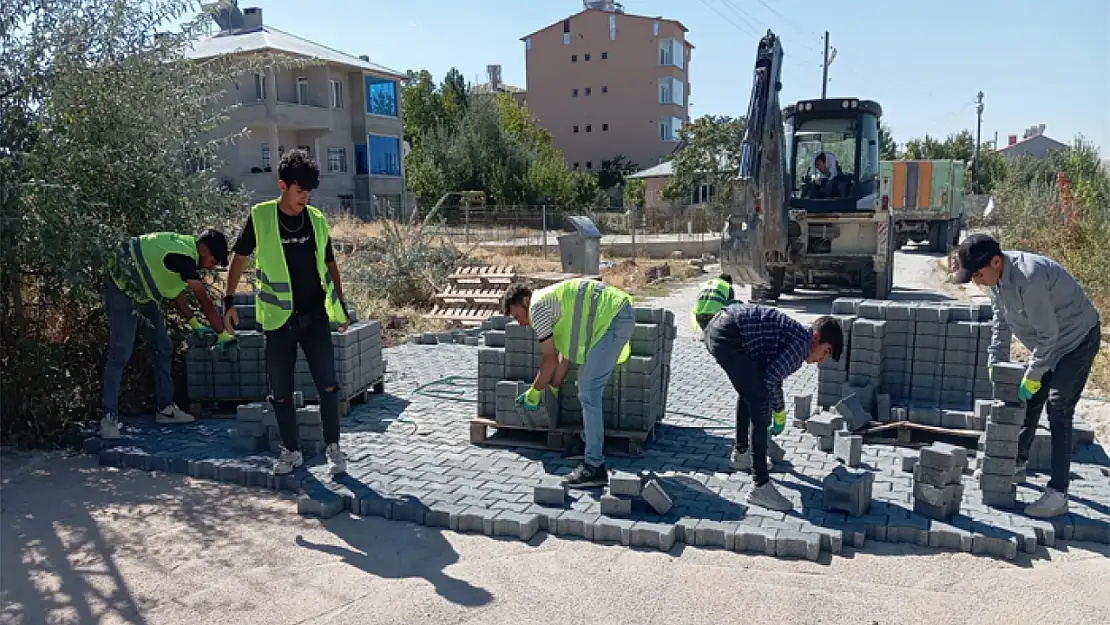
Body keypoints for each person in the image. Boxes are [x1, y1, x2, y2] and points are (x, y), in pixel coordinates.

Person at [223, 149, 351, 477]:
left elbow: (330, 264)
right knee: (280, 392)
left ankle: (333, 447)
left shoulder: (317, 220)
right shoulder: (261, 217)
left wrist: (341, 306)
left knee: (329, 385)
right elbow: (238, 257)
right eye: (299, 191)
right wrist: (228, 299)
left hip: (314, 317)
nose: (304, 197)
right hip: (279, 322)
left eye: (309, 191)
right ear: (283, 186)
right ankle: (292, 451)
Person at [954, 234, 1101, 518]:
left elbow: (1049, 336)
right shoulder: (997, 281)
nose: (977, 282)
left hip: (1077, 341)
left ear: (996, 262)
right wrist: (995, 362)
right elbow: (1001, 323)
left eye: (978, 275)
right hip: (1051, 343)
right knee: (1030, 397)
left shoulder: (1029, 278)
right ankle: (1017, 462)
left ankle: (1058, 494)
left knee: (1058, 407)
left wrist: (1032, 374)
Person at [704, 303, 843, 511]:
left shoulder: (796, 335)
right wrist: (779, 411)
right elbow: (772, 379)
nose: (821, 359)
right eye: (825, 351)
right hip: (729, 333)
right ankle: (760, 486)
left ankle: (742, 454)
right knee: (760, 403)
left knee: (751, 388)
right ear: (816, 338)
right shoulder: (801, 345)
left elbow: (766, 374)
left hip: (719, 327)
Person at [501, 278, 635, 488]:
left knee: (589, 392)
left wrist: (535, 391)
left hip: (613, 318)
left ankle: (594, 467)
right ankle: (586, 441)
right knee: (585, 385)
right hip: (615, 315)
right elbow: (565, 354)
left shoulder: (537, 308)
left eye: (518, 315)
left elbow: (549, 359)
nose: (520, 322)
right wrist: (554, 385)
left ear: (525, 301)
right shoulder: (550, 302)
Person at [101, 229, 232, 440]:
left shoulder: (184, 250)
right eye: (214, 260)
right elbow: (204, 300)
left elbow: (175, 289)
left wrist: (192, 321)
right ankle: (108, 418)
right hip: (123, 288)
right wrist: (222, 333)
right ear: (204, 249)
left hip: (143, 292)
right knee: (120, 352)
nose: (211, 267)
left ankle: (165, 410)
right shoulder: (184, 257)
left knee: (164, 346)